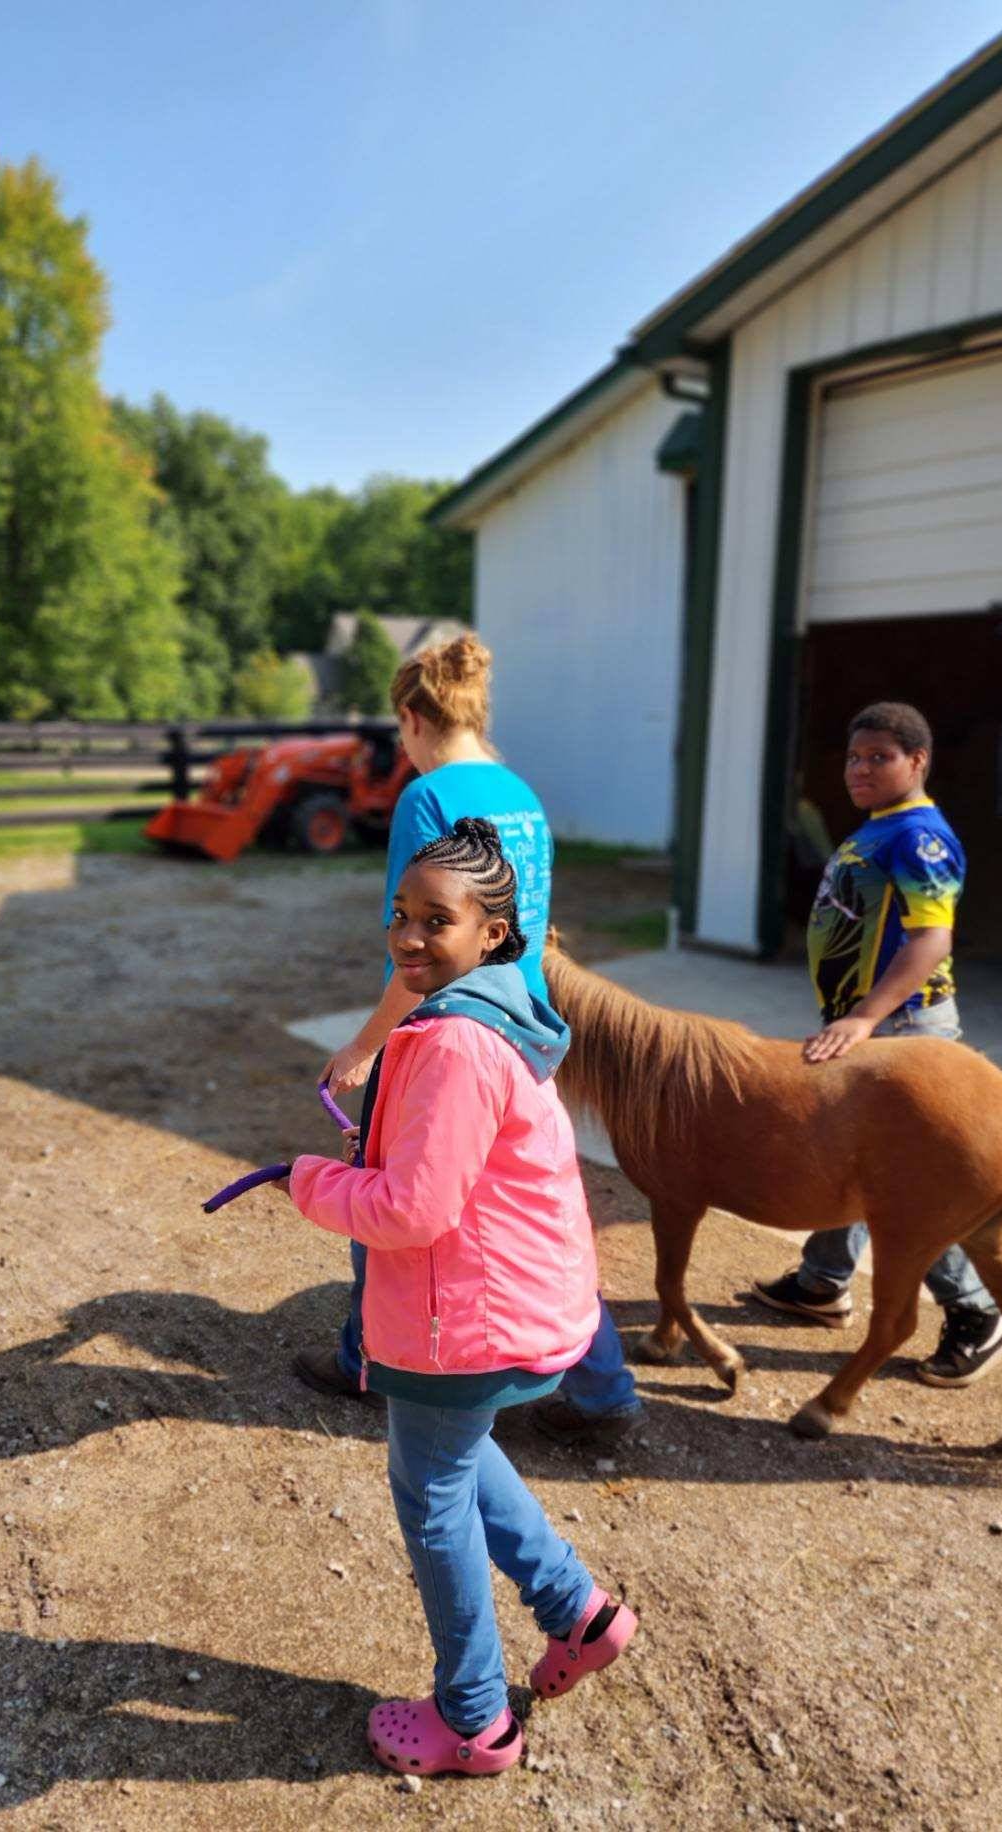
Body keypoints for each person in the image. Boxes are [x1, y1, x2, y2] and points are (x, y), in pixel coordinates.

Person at [281, 819, 638, 1776]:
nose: (407, 937)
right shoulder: (497, 1012)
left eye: (436, 920)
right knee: (456, 1454)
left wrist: (312, 1180)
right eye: (399, 914)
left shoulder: (452, 1044)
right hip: (515, 1306)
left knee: (431, 1491)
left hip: (466, 1325)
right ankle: (580, 1614)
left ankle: (475, 1722)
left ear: (493, 933)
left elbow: (412, 1206)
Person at [294, 631, 640, 1445]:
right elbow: (529, 926)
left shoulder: (429, 796)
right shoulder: (520, 793)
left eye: (399, 733)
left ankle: (364, 1359)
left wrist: (367, 1045)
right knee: (538, 1214)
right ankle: (605, 1392)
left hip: (450, 1029)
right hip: (520, 1022)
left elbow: (416, 950)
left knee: (386, 1183)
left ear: (412, 718)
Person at [750, 701, 1002, 1387]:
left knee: (912, 1190)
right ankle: (822, 1280)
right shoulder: (880, 828)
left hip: (906, 1031)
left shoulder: (920, 838)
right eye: (854, 758)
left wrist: (864, 1018)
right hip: (873, 1024)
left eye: (880, 758)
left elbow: (931, 938)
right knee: (852, 1161)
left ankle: (979, 1312)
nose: (860, 769)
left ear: (916, 762)